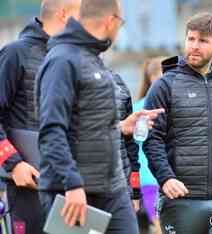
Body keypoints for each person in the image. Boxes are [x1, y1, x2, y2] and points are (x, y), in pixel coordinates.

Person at [35, 0, 164, 233]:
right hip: (72, 190)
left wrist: (122, 127)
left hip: (112, 189)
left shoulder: (93, 59)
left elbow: (86, 127)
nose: (118, 30)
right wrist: (72, 184)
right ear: (110, 21)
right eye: (121, 23)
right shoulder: (62, 60)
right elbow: (51, 130)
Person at [143, 12, 212, 234]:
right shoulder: (163, 86)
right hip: (181, 200)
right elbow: (152, 140)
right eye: (191, 39)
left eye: (202, 40)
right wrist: (165, 178)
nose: (194, 46)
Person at [0, 1, 81, 233]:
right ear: (64, 14)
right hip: (28, 185)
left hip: (73, 184)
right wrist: (14, 164)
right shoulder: (15, 53)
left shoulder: (74, 59)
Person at [134, 57, 165, 234]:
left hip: (168, 179)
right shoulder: (142, 108)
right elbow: (140, 144)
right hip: (149, 179)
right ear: (152, 77)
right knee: (159, 228)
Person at [113, 73, 141, 212]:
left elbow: (131, 145)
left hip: (122, 188)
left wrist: (135, 192)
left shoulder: (118, 81)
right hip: (83, 187)